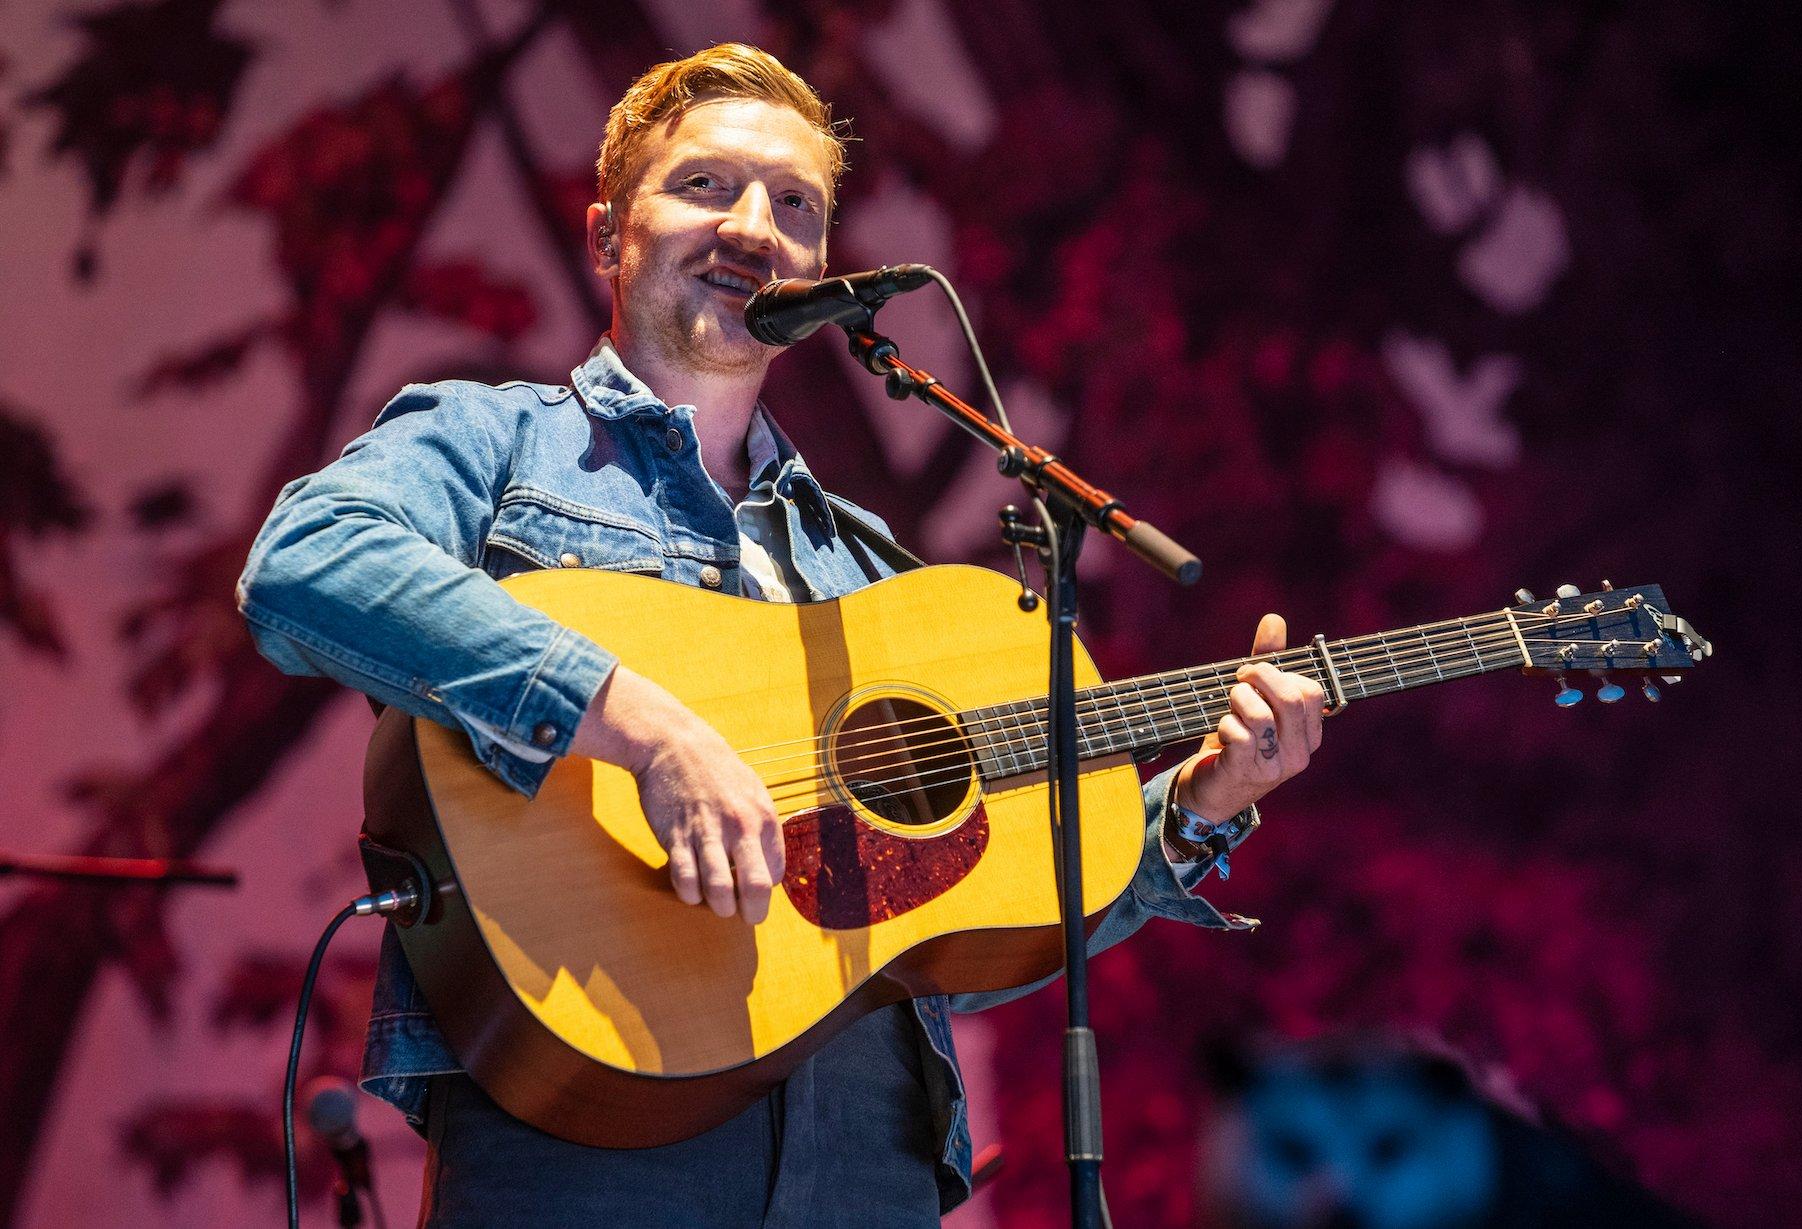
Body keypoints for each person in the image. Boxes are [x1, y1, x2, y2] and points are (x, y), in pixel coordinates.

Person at [238, 43, 1327, 1228]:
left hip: (868, 1152)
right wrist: (640, 722)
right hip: (583, 1122)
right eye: (705, 185)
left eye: (794, 205)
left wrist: (1198, 805)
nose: (754, 226)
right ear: (608, 233)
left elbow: (958, 916)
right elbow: (306, 562)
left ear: (819, 265)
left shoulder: (870, 566)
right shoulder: (497, 440)